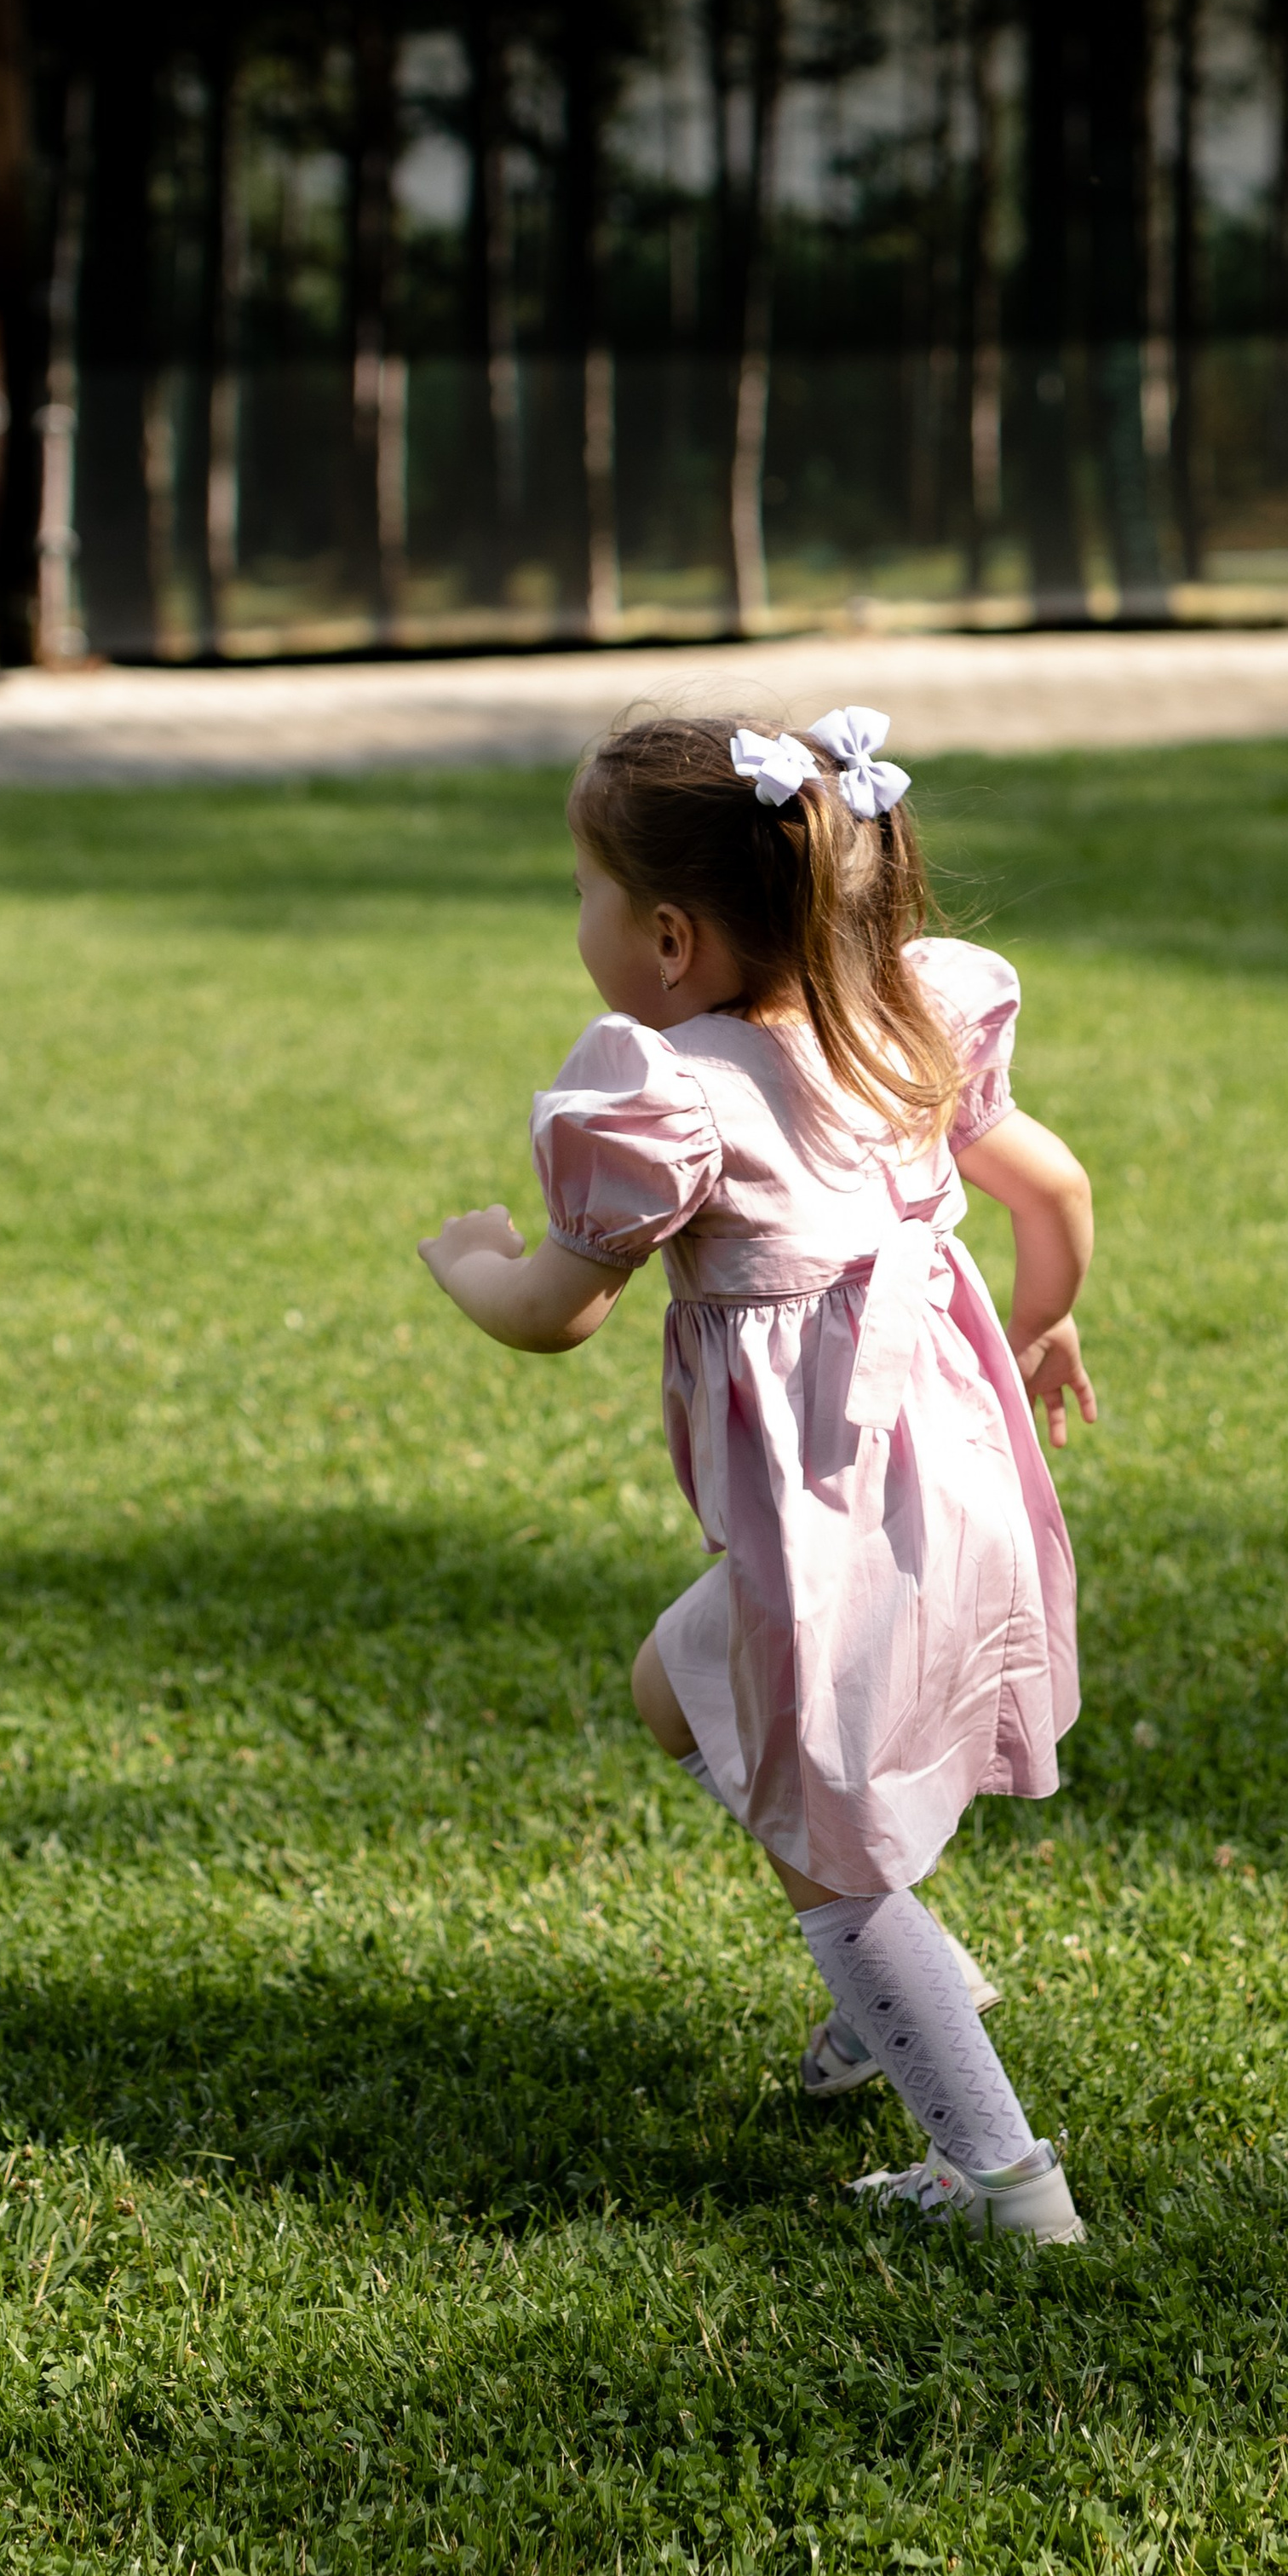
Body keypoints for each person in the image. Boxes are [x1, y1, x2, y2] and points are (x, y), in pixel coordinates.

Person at [418, 707, 1095, 2245]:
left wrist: (476, 1263)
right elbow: (1053, 1183)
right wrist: (1045, 1318)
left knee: (822, 1845)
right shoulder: (900, 1023)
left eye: (582, 892)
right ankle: (897, 1989)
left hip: (835, 1520)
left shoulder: (682, 1098)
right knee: (678, 1694)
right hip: (953, 1481)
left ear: (666, 936)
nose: (577, 921)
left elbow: (554, 1316)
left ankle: (1003, 2182)